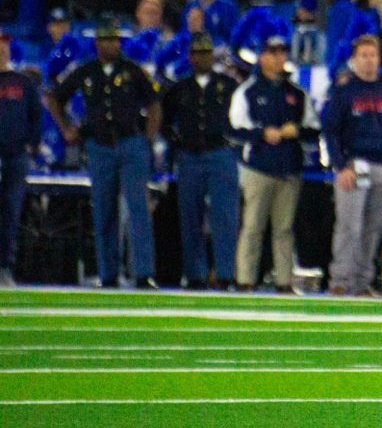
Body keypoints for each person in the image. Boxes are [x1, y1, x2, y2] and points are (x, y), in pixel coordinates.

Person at [47, 17, 160, 289]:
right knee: (104, 211)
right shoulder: (86, 72)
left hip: (130, 142)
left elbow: (154, 103)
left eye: (114, 40)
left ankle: (143, 272)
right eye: (106, 39)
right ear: (97, 43)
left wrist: (147, 138)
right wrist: (66, 129)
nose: (110, 45)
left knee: (138, 210)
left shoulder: (133, 71)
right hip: (99, 145)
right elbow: (54, 97)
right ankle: (108, 273)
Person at [228, 31, 320, 294]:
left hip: (289, 167)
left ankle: (284, 281)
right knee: (253, 226)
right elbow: (234, 128)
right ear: (262, 56)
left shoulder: (296, 93)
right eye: (274, 52)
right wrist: (261, 133)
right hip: (258, 166)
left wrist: (296, 131)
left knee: (284, 229)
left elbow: (313, 127)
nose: (279, 57)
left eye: (282, 52)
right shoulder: (248, 90)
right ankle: (245, 279)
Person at [322, 34, 382, 296]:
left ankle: (362, 281)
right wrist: (340, 166)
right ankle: (340, 280)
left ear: (379, 58)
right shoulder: (344, 91)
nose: (369, 60)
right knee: (350, 225)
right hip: (355, 164)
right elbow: (331, 131)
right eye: (364, 55)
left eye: (373, 55)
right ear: (354, 59)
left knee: (374, 227)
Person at [161, 32, 239, 290]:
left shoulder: (228, 85)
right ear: (190, 57)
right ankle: (195, 274)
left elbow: (241, 117)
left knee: (224, 216)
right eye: (197, 53)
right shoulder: (179, 88)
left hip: (220, 153)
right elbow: (164, 119)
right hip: (191, 155)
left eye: (206, 53)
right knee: (190, 216)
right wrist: (176, 141)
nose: (202, 58)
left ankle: (226, 273)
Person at [0, 28, 39, 286]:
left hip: (14, 156)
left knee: (10, 214)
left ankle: (4, 267)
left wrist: (32, 145)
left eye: (3, 44)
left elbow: (35, 115)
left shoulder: (22, 82)